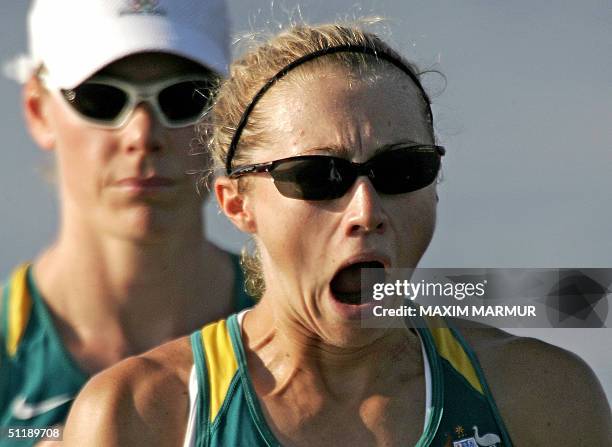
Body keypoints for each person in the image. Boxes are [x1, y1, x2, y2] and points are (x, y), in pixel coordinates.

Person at [62, 23, 611, 446]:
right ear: (236, 203)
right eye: (318, 177)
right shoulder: (140, 414)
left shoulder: (542, 395)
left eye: (402, 171)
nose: (366, 211)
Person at [0, 0, 255, 442]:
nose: (142, 136)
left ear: (228, 112)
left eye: (185, 96)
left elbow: (409, 299)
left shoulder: (344, 309)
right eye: (102, 98)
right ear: (39, 111)